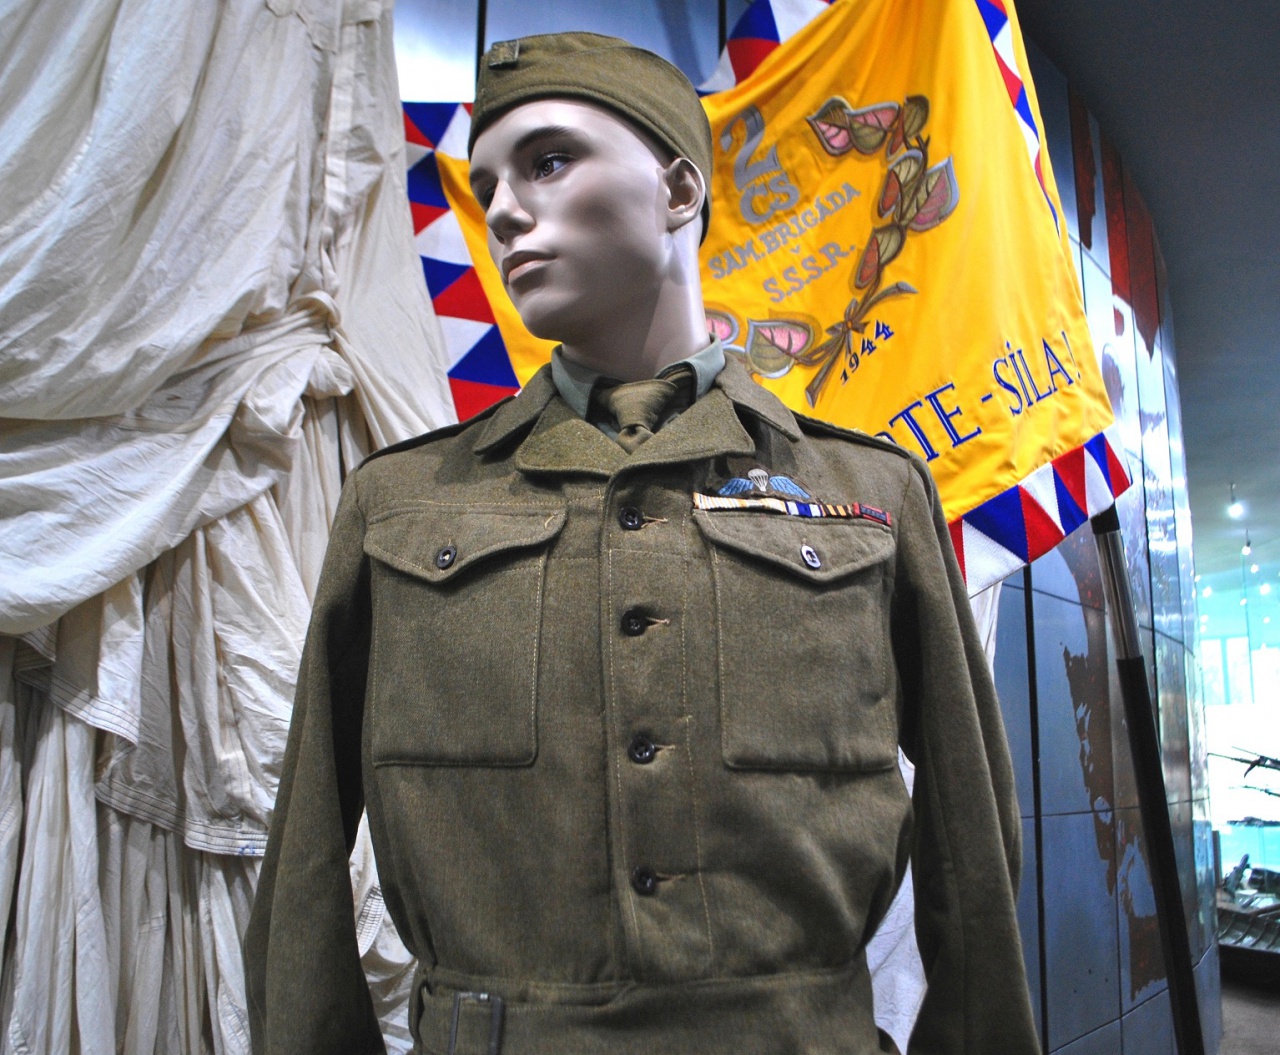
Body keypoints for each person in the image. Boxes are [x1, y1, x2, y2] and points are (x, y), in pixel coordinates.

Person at [245, 32, 1040, 1055]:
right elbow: (306, 860)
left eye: (547, 161)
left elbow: (971, 853)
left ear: (676, 189)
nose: (503, 210)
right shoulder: (399, 505)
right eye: (486, 186)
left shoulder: (870, 493)